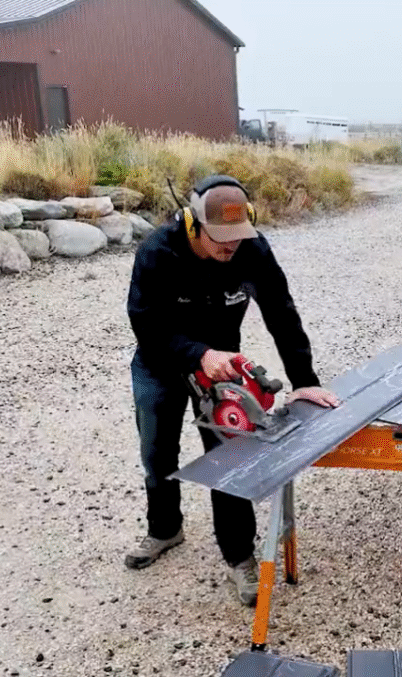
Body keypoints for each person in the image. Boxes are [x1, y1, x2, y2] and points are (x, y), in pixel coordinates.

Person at [124, 174, 340, 606]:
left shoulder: (253, 249)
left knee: (229, 458)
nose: (230, 247)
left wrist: (305, 381)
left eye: (237, 238)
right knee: (157, 453)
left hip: (221, 368)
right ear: (193, 225)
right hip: (161, 361)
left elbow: (281, 312)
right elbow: (145, 322)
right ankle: (165, 529)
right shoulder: (158, 252)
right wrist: (198, 353)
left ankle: (239, 556)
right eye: (220, 238)